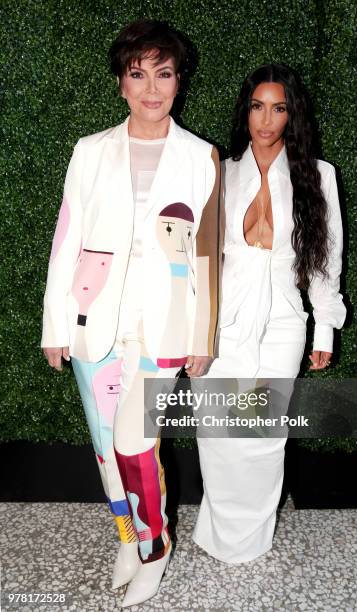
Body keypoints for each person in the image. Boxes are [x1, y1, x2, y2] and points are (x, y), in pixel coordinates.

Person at [41, 19, 220, 606]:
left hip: (163, 324)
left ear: (178, 82)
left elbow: (208, 257)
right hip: (94, 320)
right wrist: (55, 322)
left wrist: (204, 334)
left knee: (133, 444)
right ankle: (127, 533)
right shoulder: (90, 151)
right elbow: (66, 239)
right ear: (121, 84)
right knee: (102, 442)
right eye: (138, 74)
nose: (151, 88)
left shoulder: (201, 158)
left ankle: (154, 547)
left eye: (163, 74)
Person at [192, 64, 346, 563]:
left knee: (260, 435)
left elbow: (325, 258)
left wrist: (324, 325)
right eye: (258, 106)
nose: (266, 119)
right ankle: (217, 535)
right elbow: (200, 255)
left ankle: (250, 541)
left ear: (291, 114)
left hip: (282, 321)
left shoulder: (317, 176)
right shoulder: (221, 169)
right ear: (245, 110)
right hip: (223, 319)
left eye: (278, 108)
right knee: (217, 431)